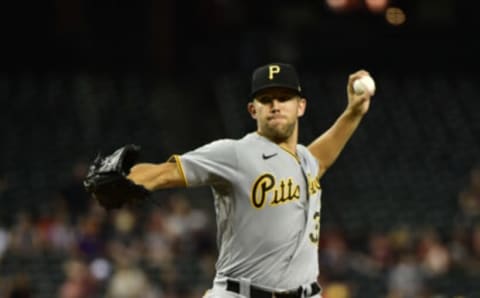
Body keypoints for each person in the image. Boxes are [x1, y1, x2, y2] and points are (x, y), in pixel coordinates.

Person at [127, 63, 374, 297]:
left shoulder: (305, 160)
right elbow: (164, 172)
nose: (275, 105)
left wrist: (353, 113)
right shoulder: (235, 153)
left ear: (301, 106)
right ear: (253, 110)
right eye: (266, 100)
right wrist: (123, 179)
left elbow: (320, 159)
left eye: (284, 98)